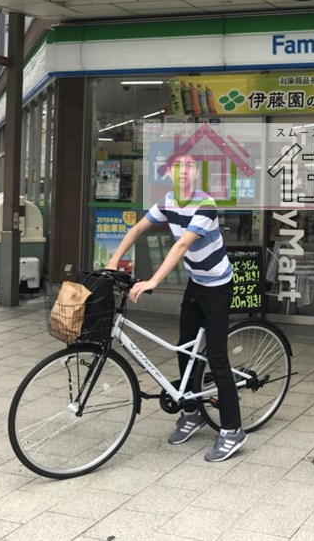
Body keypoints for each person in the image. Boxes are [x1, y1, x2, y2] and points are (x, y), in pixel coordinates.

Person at [105, 154, 245, 462]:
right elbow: (137, 229)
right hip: (196, 284)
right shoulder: (167, 202)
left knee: (217, 357)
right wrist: (114, 260)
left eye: (190, 169)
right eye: (178, 170)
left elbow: (181, 246)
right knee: (184, 347)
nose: (183, 174)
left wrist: (153, 280)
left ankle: (232, 430)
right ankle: (192, 412)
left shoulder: (206, 205)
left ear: (197, 175)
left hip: (218, 286)